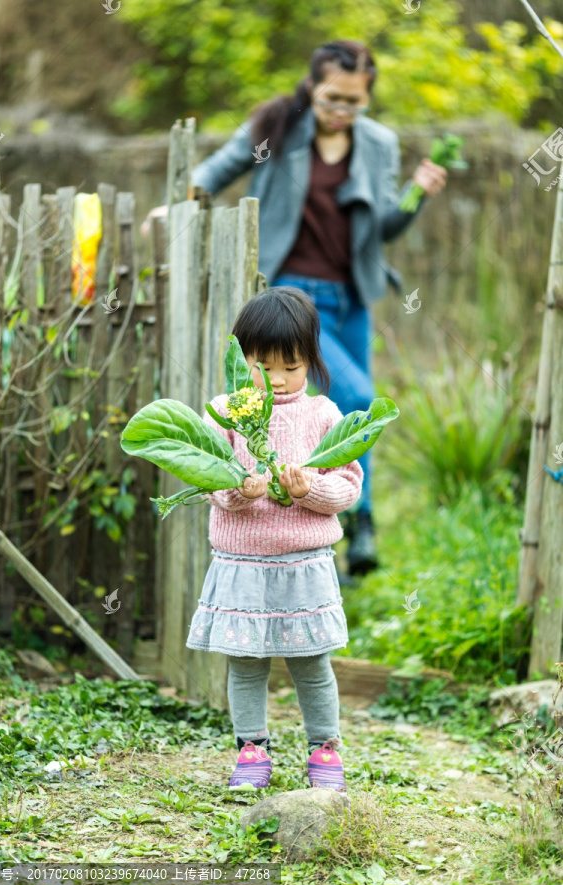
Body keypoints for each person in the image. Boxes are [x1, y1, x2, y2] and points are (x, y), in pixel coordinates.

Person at [143, 40, 447, 579]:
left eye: (355, 102)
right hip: (296, 299)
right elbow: (219, 169)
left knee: (353, 419)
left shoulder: (378, 143)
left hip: (350, 297)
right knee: (355, 397)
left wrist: (415, 195)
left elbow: (383, 228)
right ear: (312, 86)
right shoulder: (278, 126)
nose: (342, 111)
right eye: (333, 98)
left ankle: (355, 523)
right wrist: (179, 202)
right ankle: (350, 516)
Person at [185, 287, 363, 791]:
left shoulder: (324, 416)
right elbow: (207, 480)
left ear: (311, 359)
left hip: (304, 563)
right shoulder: (224, 414)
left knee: (312, 664)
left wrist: (310, 490)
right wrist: (237, 491)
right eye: (263, 365)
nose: (278, 380)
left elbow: (348, 484)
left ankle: (324, 752)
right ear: (242, 359)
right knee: (246, 665)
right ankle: (251, 751)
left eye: (292, 366)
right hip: (242, 563)